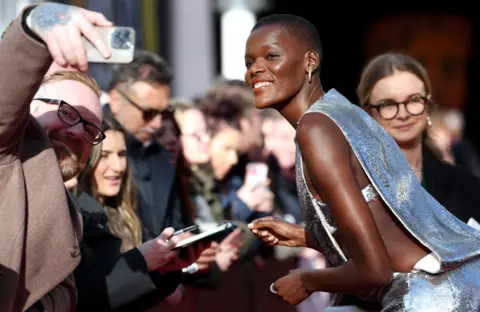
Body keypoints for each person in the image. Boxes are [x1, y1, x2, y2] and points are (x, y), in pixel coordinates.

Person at [245, 14, 480, 311]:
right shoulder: (339, 111)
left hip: (432, 298)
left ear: (310, 61)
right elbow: (386, 233)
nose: (256, 69)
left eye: (271, 55)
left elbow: (375, 270)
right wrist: (305, 235)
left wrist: (307, 281)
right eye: (249, 62)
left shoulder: (316, 128)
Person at [0, 2, 113, 311]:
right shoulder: (5, 157)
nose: (78, 131)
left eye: (91, 128)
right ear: (28, 106)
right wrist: (37, 26)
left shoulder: (71, 212)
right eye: (66, 112)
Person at [357, 52, 480, 225]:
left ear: (428, 105)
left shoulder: (465, 185)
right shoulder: (353, 186)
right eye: (388, 104)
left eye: (413, 100)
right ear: (368, 113)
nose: (403, 114)